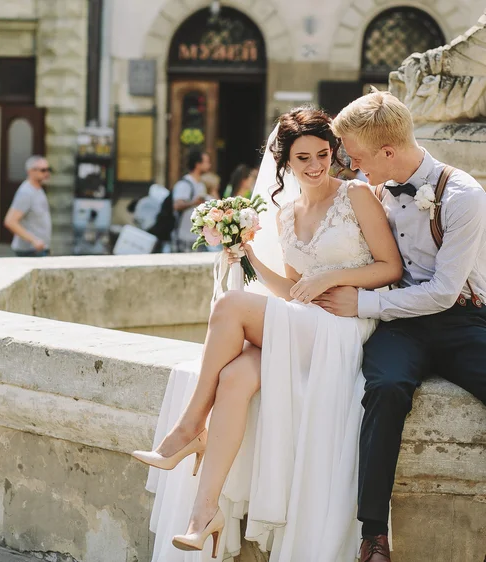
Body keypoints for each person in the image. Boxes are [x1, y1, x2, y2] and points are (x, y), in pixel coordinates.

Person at [132, 107, 403, 561]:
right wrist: (249, 257)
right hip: (306, 322)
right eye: (303, 159)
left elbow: (390, 267)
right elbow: (292, 290)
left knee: (229, 306)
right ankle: (204, 514)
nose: (316, 166)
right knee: (235, 378)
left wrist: (331, 280)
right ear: (286, 163)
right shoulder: (286, 214)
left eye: (323, 154)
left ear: (334, 151)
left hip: (343, 327)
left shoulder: (356, 195)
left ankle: (188, 428)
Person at [315, 90, 486, 561]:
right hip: (402, 324)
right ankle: (373, 535)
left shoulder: (463, 195)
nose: (352, 165)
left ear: (388, 152)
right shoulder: (372, 192)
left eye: (358, 156)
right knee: (386, 388)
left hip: (460, 318)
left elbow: (444, 292)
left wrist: (362, 304)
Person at [4, 155, 52, 257]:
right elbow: (10, 221)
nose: (47, 173)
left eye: (48, 170)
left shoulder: (38, 189)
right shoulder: (26, 192)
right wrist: (34, 240)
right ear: (31, 171)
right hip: (30, 251)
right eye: (43, 170)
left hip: (40, 249)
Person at [173, 150, 211, 252]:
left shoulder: (201, 185)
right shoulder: (185, 184)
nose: (209, 165)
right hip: (185, 238)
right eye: (206, 162)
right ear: (198, 164)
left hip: (198, 237)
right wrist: (194, 202)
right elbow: (177, 205)